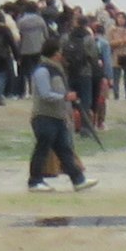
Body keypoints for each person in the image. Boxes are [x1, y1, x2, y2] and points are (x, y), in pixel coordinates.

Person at [27, 50, 93, 191]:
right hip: (44, 117)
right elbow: (45, 94)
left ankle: (78, 180)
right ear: (55, 53)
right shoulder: (42, 71)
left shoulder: (57, 70)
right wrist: (64, 97)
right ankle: (34, 181)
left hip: (58, 117)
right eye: (61, 53)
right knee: (42, 149)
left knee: (64, 149)